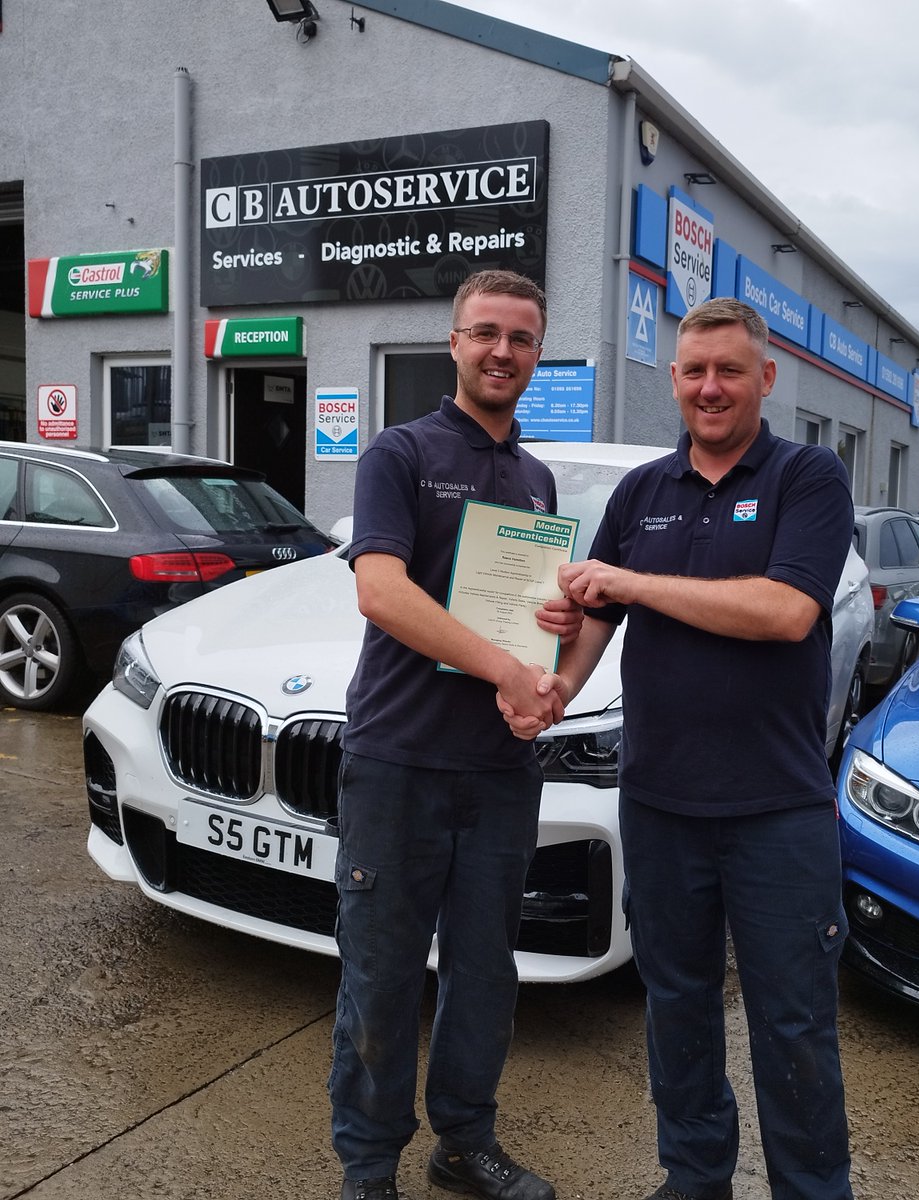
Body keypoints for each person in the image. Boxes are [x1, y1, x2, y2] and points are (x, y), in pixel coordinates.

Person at [506, 298, 856, 1200]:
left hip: (775, 811)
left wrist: (622, 580)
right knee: (678, 1009)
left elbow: (785, 612)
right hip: (659, 804)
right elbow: (592, 623)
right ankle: (695, 1178)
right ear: (674, 380)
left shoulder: (806, 478)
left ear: (764, 378)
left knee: (793, 1024)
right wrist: (555, 687)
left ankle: (812, 1192)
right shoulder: (640, 495)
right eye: (694, 371)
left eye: (729, 370)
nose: (710, 388)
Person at [330, 269, 580, 1200]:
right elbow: (381, 590)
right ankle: (367, 1167)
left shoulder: (537, 478)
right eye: (485, 334)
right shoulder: (399, 452)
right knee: (382, 976)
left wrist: (549, 649)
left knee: (484, 975)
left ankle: (463, 1141)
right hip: (399, 760)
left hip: (502, 768)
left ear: (536, 353)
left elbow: (529, 614)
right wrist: (507, 669)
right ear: (455, 343)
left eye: (519, 339)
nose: (501, 352)